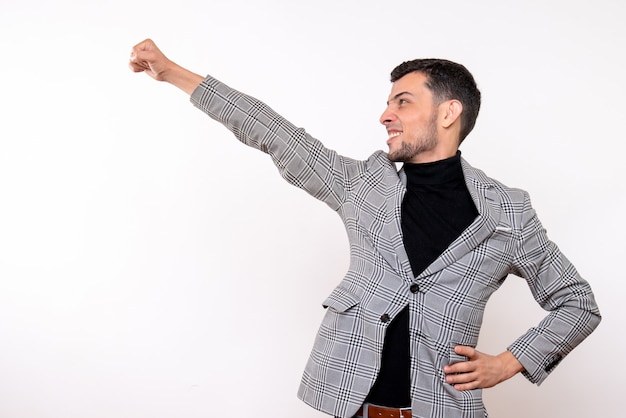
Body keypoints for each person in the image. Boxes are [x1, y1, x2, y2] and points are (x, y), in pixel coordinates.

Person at [128, 39, 601, 418]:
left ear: (448, 112)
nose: (385, 115)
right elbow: (273, 132)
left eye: (403, 101)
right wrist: (172, 72)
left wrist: (509, 362)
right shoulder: (364, 186)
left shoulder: (508, 212)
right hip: (349, 404)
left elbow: (577, 303)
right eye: (387, 102)